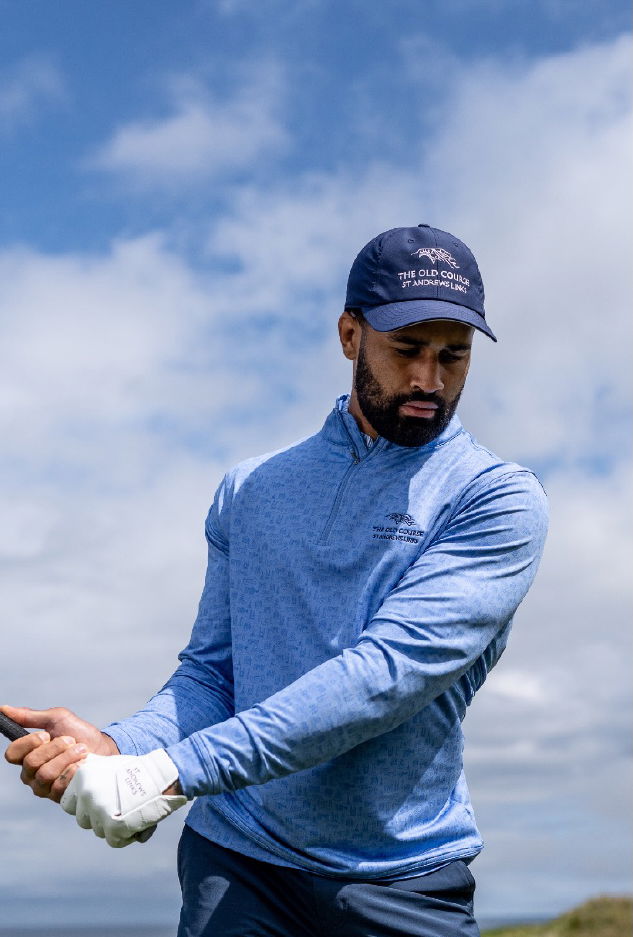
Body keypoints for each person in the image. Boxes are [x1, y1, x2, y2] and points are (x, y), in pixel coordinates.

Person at [3, 224, 548, 937]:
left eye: (454, 354)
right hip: (238, 862)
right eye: (406, 349)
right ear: (349, 335)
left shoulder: (495, 498)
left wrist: (163, 775)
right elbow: (213, 676)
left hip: (398, 878)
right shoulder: (251, 489)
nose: (429, 379)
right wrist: (121, 747)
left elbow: (378, 681)